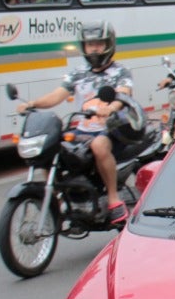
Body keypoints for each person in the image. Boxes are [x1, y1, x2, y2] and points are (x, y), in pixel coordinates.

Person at [16, 22, 137, 224]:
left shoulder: (121, 72)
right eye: (90, 44)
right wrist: (32, 103)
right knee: (51, 147)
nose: (94, 48)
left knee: (99, 146)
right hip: (81, 130)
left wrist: (111, 107)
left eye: (98, 43)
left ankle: (114, 199)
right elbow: (57, 96)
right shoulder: (78, 73)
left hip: (110, 129)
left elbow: (123, 95)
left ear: (108, 44)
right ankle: (55, 196)